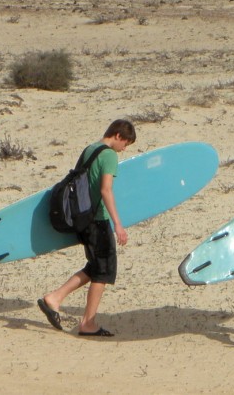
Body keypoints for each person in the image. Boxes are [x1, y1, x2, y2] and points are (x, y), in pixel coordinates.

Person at [38, 119, 136, 337]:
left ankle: (54, 298)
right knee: (103, 271)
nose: (125, 148)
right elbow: (106, 190)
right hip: (97, 220)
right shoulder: (110, 155)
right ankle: (88, 323)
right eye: (126, 143)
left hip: (81, 218)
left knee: (95, 266)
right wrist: (118, 224)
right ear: (118, 136)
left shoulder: (90, 149)